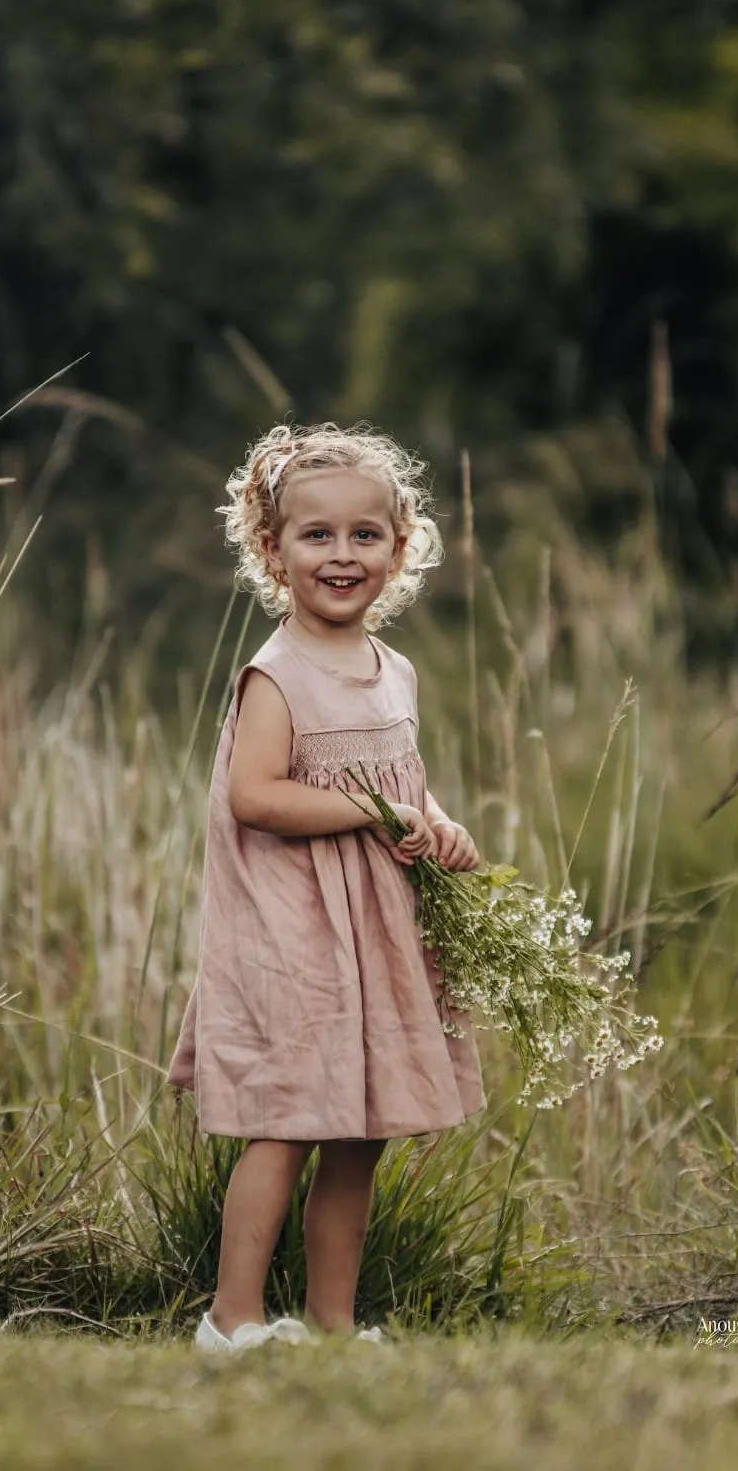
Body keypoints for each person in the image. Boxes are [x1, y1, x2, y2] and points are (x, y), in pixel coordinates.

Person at [167, 421, 486, 1352]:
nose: (341, 555)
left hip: (373, 939)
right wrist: (373, 815)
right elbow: (257, 796)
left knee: (360, 1132)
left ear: (401, 545)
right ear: (273, 550)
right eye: (317, 536)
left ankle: (333, 1326)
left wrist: (439, 823)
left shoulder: (395, 673)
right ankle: (231, 1321)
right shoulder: (277, 675)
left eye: (364, 535)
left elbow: (402, 785)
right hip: (295, 938)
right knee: (290, 1123)